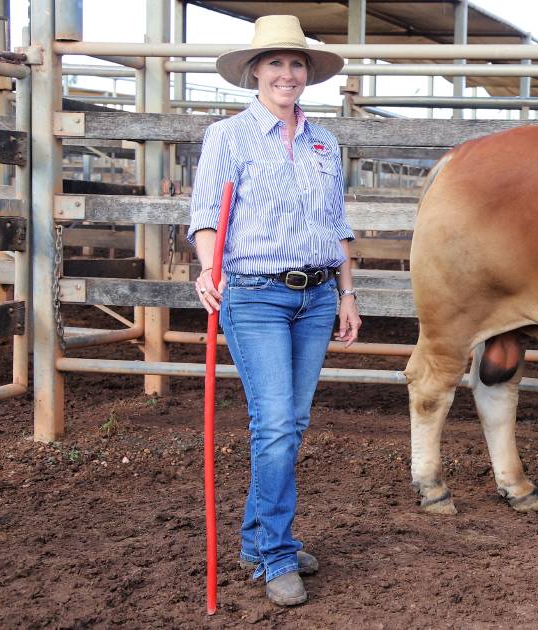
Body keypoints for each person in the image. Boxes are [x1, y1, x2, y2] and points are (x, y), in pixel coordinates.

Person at [188, 14, 360, 607]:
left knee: (291, 425)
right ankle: (276, 556)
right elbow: (206, 217)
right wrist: (208, 271)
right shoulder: (228, 137)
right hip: (256, 294)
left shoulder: (323, 141)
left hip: (315, 296)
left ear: (307, 74)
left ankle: (259, 537)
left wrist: (347, 293)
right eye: (275, 63)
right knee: (277, 427)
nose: (286, 73)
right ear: (254, 72)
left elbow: (337, 223)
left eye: (296, 64)